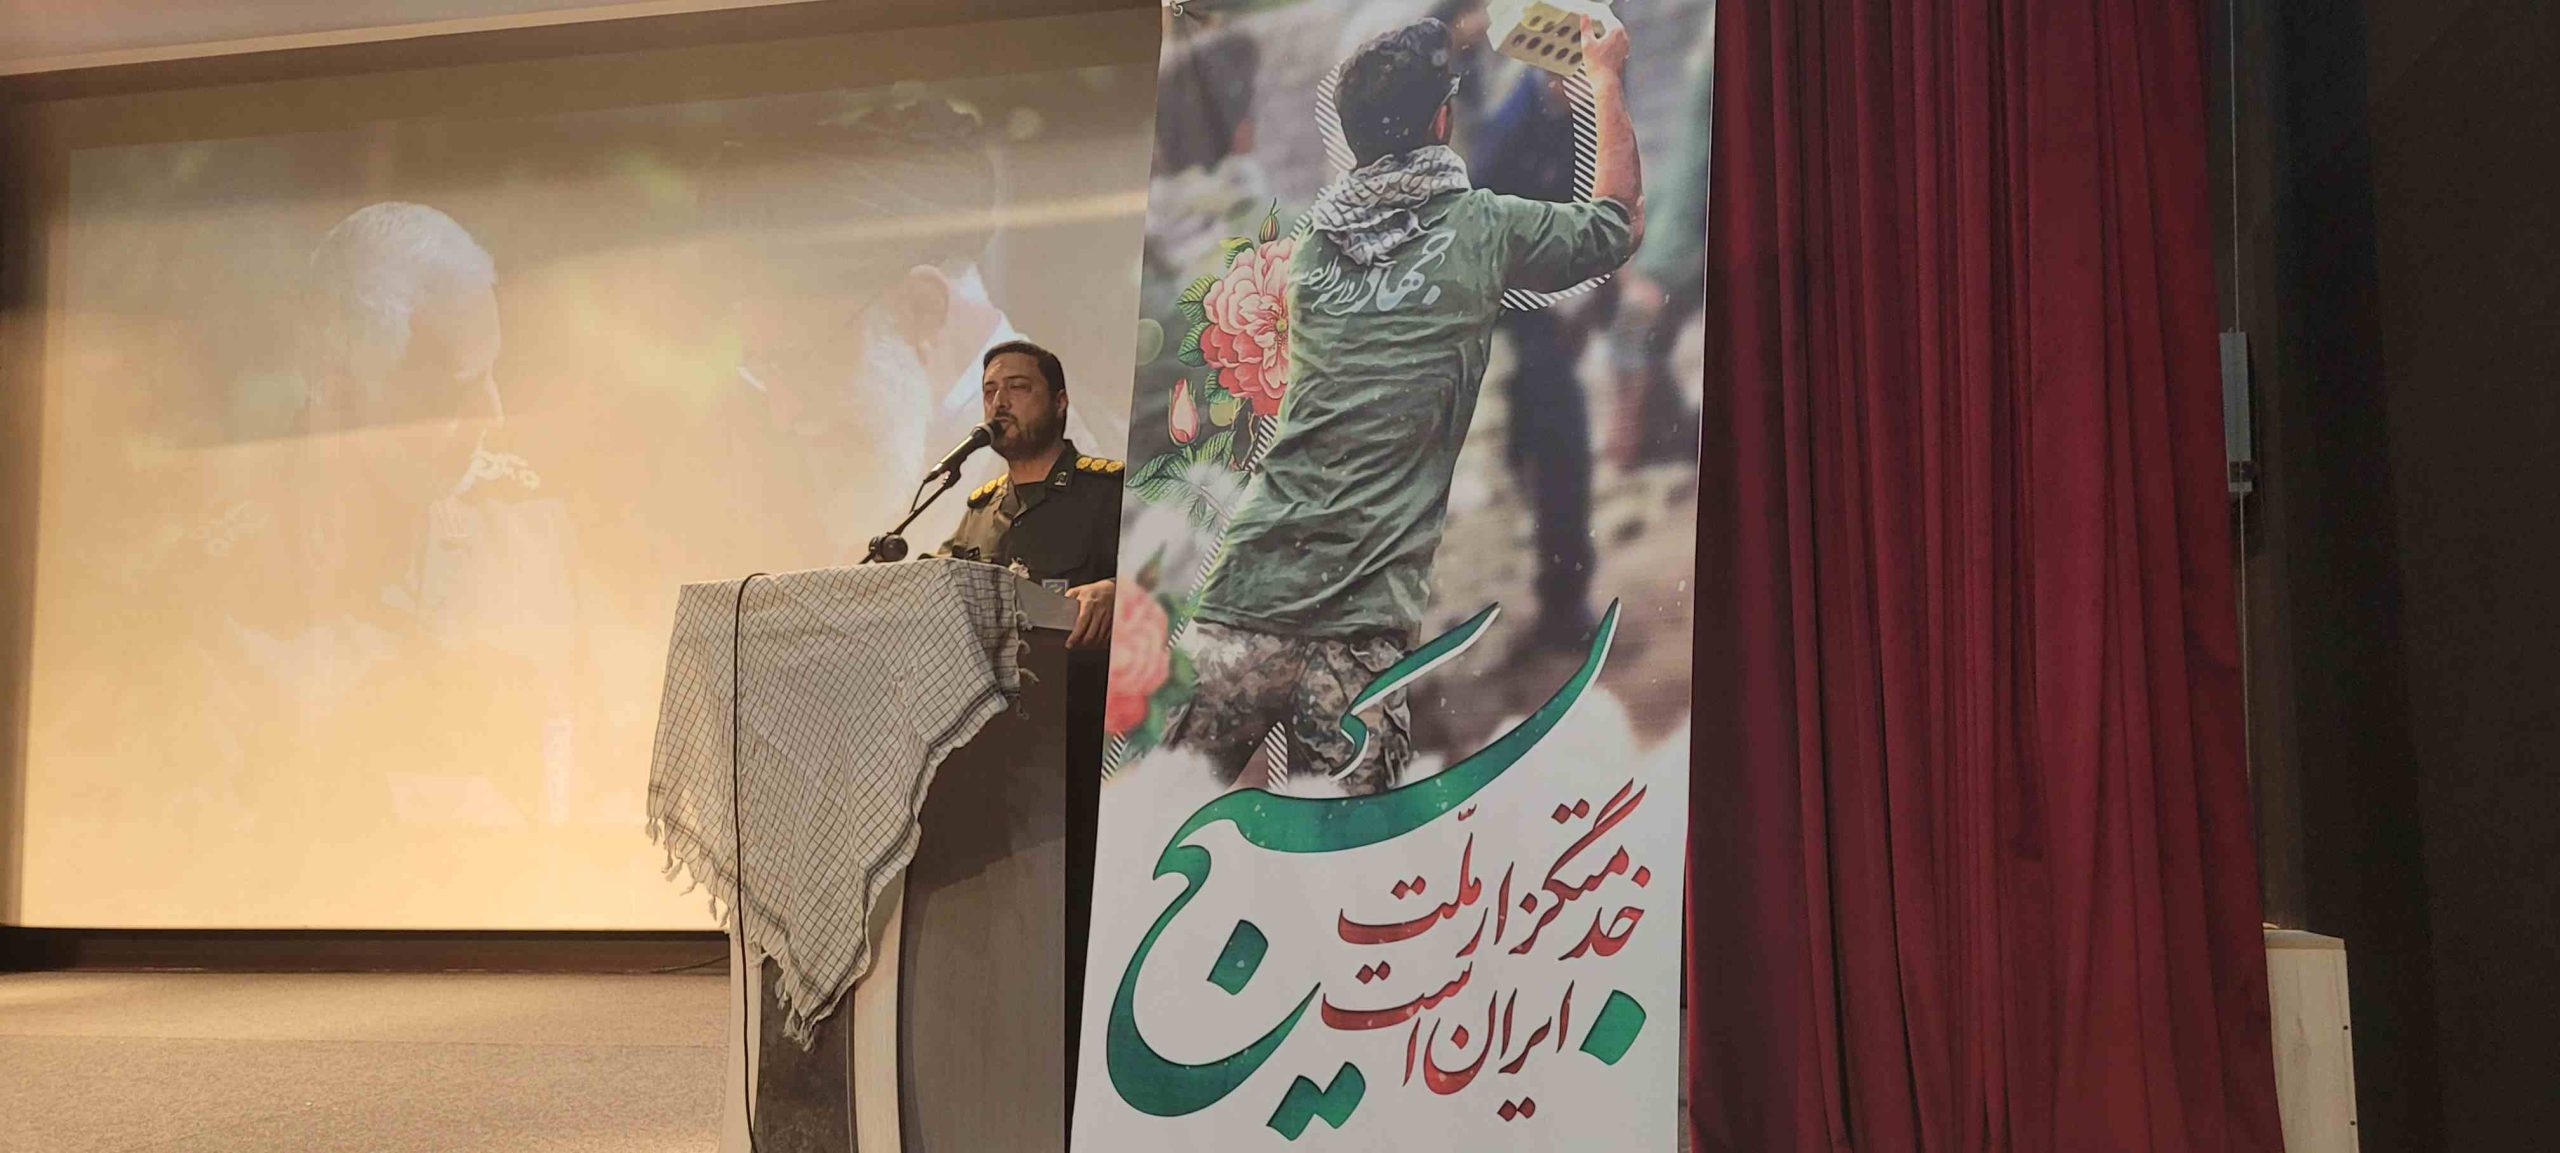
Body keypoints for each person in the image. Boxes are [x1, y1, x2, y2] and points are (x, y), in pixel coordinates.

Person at [1168, 15, 1644, 794]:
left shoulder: (1313, 247)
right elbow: (1617, 224)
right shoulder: (1481, 229)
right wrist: (1606, 80)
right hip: (1358, 622)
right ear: (1442, 121)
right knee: (1352, 840)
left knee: (1174, 813)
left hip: (1247, 586)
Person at [932, 338, 1118, 1113]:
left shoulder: (1110, 493)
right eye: (989, 390)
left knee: (1076, 937)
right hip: (991, 759)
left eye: (1018, 387)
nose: (999, 402)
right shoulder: (978, 512)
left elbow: (1182, 581)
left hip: (1083, 752)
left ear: (1060, 402)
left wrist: (1122, 587)